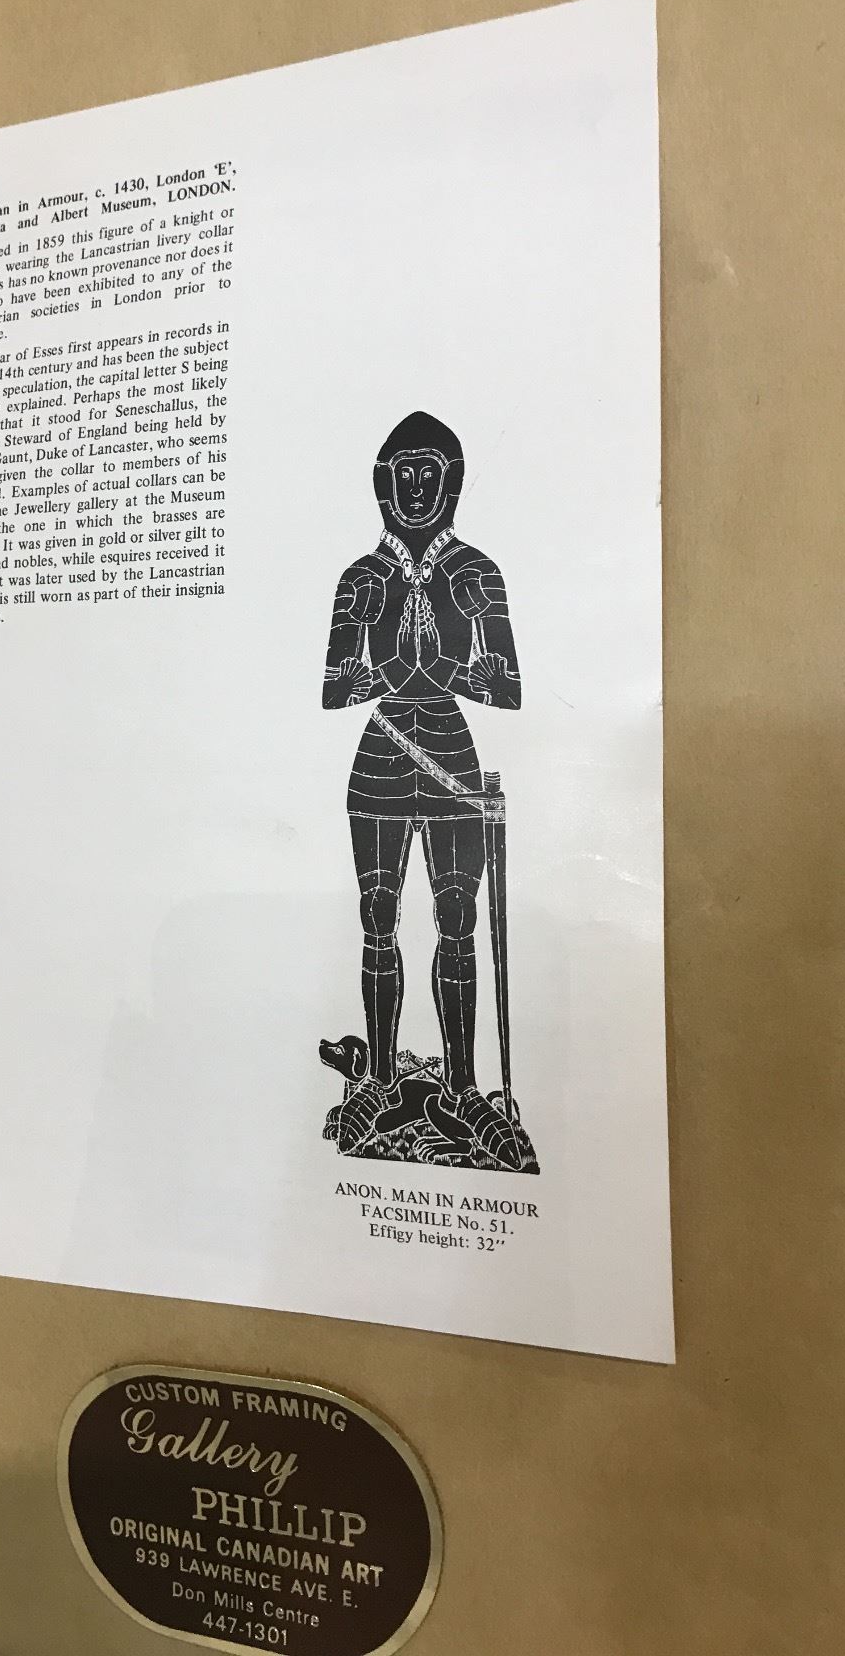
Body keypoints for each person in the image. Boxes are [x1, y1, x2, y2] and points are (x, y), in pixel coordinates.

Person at [323, 410, 521, 1141]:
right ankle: (379, 1079)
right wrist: (389, 670)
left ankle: (462, 1088)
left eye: (426, 473)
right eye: (403, 472)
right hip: (381, 755)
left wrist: (445, 669)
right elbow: (334, 689)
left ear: (450, 482)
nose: (413, 487)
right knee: (378, 920)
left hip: (448, 753)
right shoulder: (361, 578)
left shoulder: (476, 574)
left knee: (457, 920)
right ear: (385, 482)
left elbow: (508, 688)